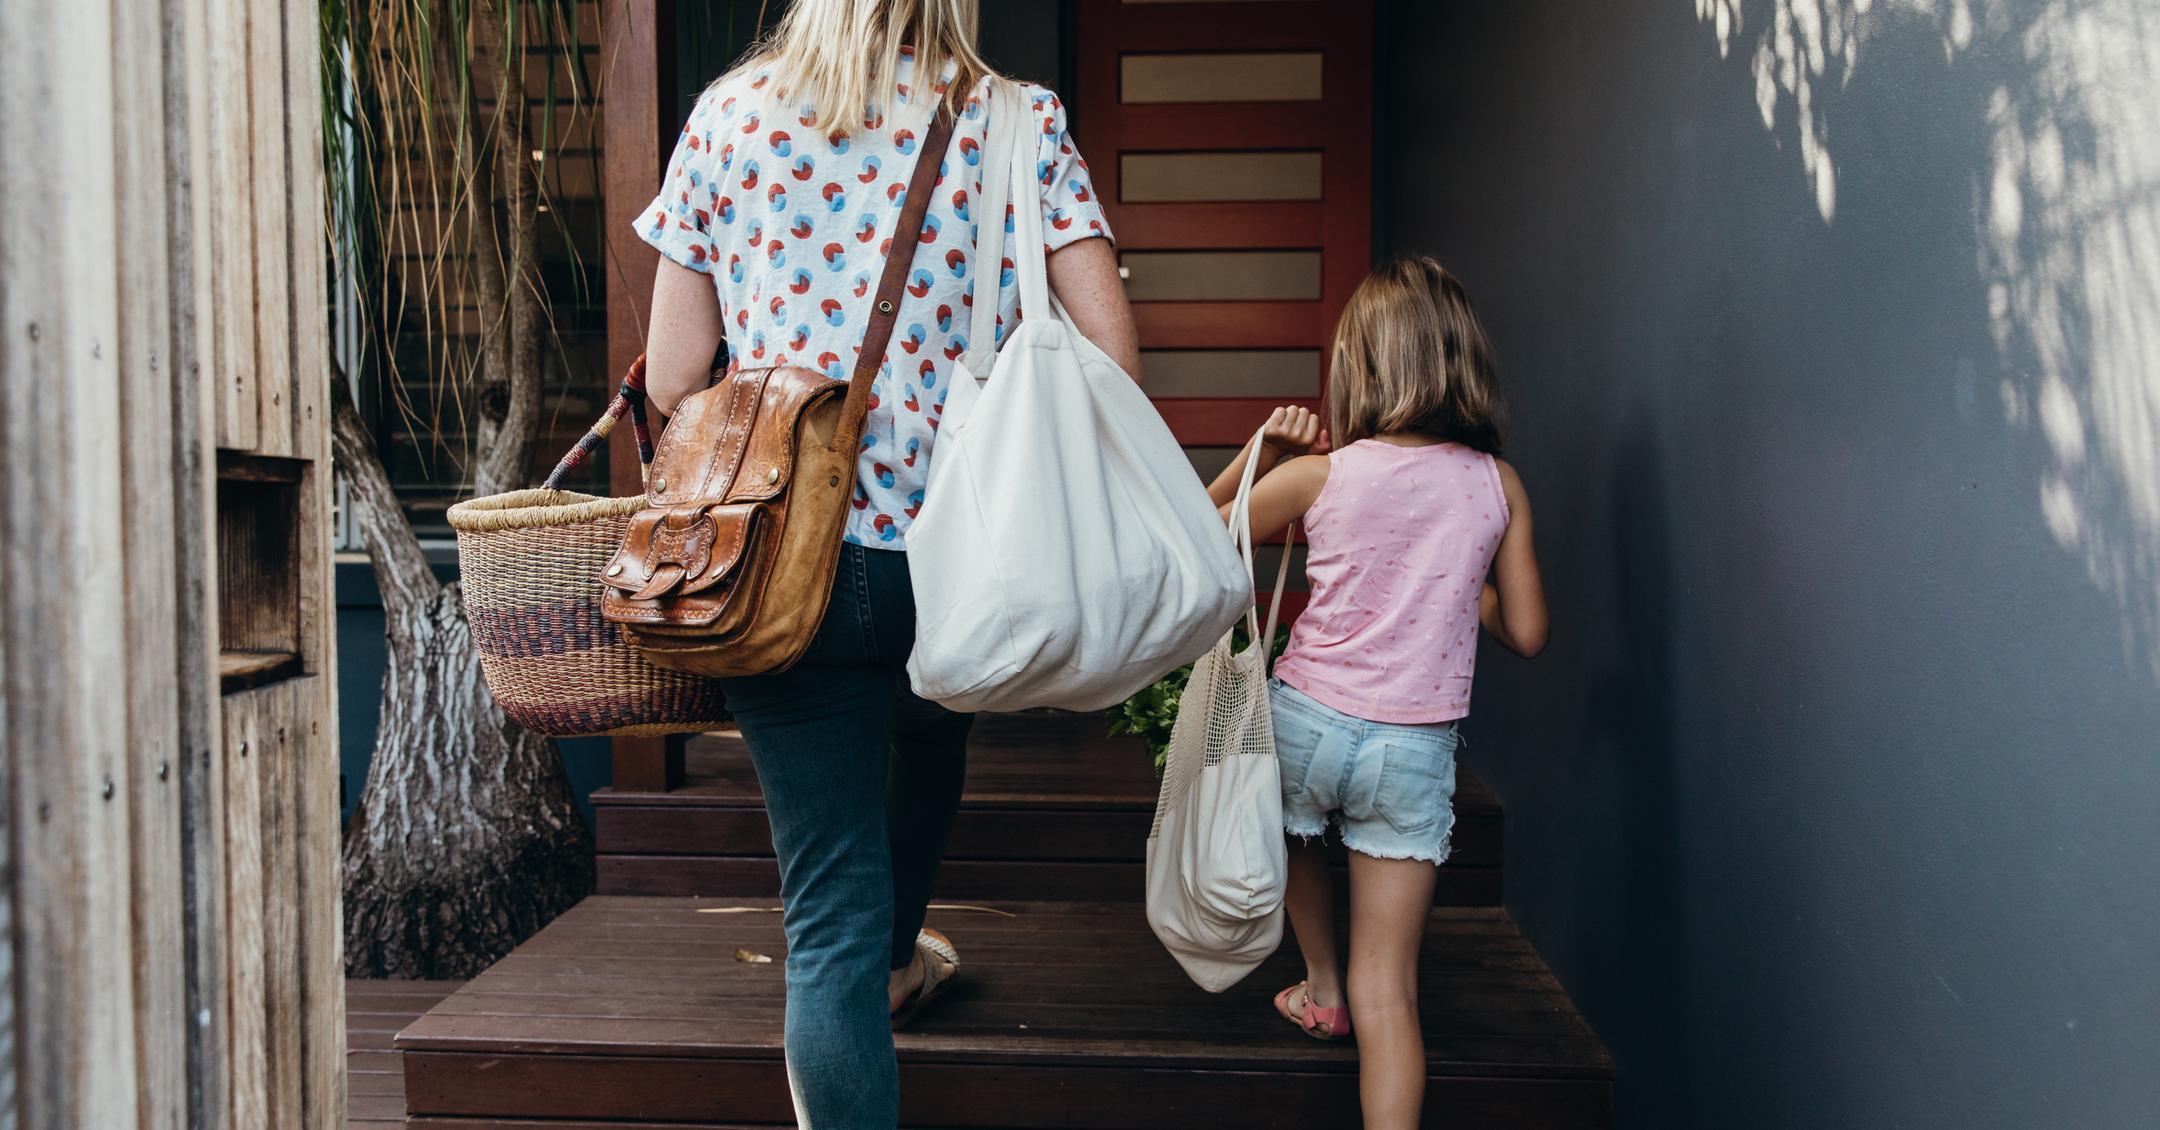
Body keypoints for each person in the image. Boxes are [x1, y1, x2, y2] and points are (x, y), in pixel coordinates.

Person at [631, 2, 1137, 1126]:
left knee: (826, 922)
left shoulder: (727, 117)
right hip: (955, 556)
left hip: (777, 568)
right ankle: (905, 952)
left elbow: (671, 377)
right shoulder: (1020, 118)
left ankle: (881, 956)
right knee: (932, 724)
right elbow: (1111, 357)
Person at [1204, 257, 1549, 1130]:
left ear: (1359, 365)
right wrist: (1450, 576)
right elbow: (1529, 631)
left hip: (1306, 721)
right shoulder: (1495, 486)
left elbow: (1195, 542)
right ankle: (1349, 999)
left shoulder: (1325, 474)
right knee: (1391, 996)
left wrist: (1259, 454)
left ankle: (1319, 986)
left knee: (1297, 830)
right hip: (1413, 749)